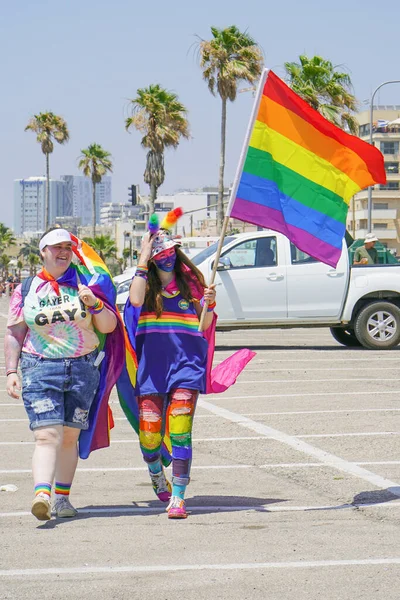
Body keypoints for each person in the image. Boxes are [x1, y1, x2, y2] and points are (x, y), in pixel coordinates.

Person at [4, 227, 118, 521]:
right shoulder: (27, 288)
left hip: (82, 369)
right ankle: (42, 493)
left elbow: (108, 327)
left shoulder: (87, 284)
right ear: (43, 252)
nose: (63, 251)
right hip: (39, 368)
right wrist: (10, 371)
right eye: (56, 247)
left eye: (68, 246)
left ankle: (62, 499)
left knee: (69, 437)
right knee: (46, 435)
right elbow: (16, 332)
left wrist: (94, 303)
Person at [128, 228, 216, 519]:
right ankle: (155, 472)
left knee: (180, 432)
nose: (167, 257)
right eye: (160, 253)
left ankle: (178, 497)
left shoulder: (192, 285)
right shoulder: (145, 288)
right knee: (150, 439)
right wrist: (143, 255)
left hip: (186, 369)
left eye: (170, 252)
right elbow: (136, 301)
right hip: (152, 372)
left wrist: (210, 304)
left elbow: (203, 327)